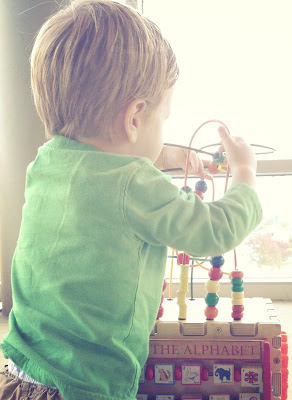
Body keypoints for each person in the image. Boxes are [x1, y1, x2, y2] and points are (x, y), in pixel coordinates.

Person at [0, 1, 262, 399]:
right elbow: (215, 231)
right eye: (164, 118)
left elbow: (102, 162)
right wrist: (245, 173)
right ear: (135, 117)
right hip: (87, 385)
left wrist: (168, 155)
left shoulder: (46, 162)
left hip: (21, 370)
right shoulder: (135, 183)